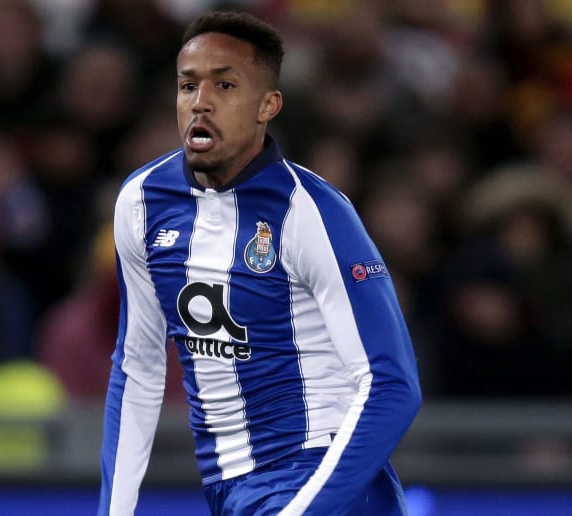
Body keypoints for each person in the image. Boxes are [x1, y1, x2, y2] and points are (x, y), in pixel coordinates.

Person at [98, 10, 422, 516]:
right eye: (188, 85)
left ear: (267, 105)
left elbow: (391, 384)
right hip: (230, 488)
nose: (201, 102)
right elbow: (138, 367)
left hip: (320, 480)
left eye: (225, 85)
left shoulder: (311, 212)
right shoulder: (141, 202)